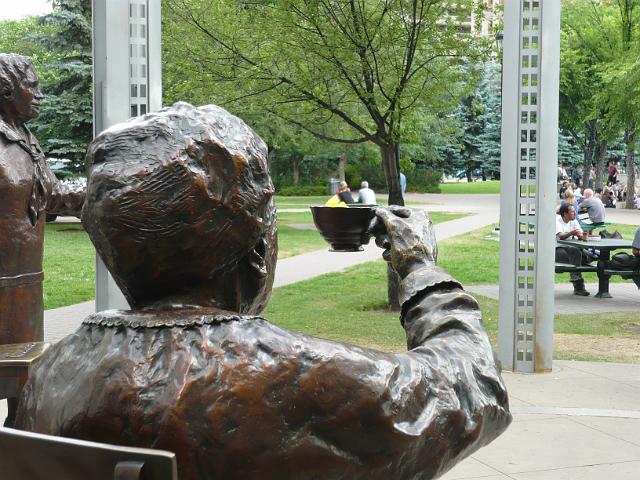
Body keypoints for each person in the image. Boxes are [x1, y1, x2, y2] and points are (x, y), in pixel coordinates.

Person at [16, 103, 511, 480]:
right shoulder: (296, 379)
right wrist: (421, 269)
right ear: (257, 250)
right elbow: (473, 389)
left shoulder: (47, 380)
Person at [0, 54, 83, 426]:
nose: (40, 94)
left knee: (24, 390)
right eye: (31, 86)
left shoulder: (26, 140)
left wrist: (99, 191)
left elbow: (51, 195)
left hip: (25, 287)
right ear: (6, 89)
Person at [556, 204, 592, 296]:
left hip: (572, 249)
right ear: (565, 214)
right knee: (576, 252)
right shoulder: (557, 221)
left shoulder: (574, 221)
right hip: (557, 250)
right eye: (572, 211)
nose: (575, 213)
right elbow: (561, 236)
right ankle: (579, 287)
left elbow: (579, 233)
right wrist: (572, 233)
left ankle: (583, 261)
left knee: (590, 254)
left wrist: (580, 236)